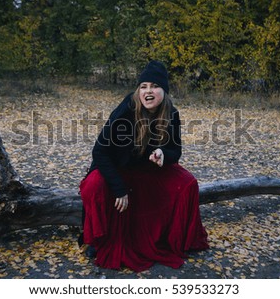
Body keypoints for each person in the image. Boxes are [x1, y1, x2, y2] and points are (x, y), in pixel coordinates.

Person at [79, 60, 208, 272]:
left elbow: (176, 152)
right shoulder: (126, 110)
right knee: (93, 185)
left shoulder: (171, 114)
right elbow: (100, 151)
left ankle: (179, 236)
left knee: (187, 183)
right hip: (117, 167)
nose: (148, 91)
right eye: (143, 86)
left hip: (145, 168)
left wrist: (162, 153)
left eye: (154, 86)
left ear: (164, 91)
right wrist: (119, 189)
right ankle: (97, 238)